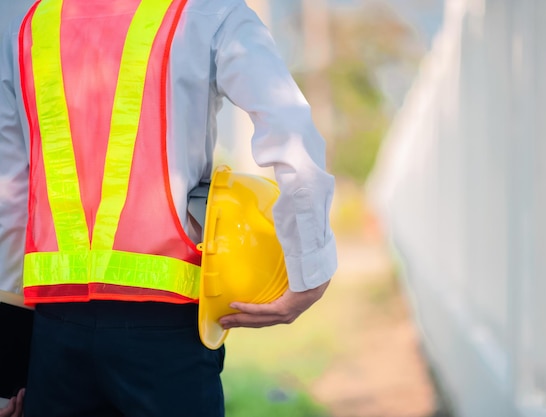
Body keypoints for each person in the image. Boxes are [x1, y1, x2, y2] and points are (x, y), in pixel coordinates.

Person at [0, 0, 337, 415]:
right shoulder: (208, 11)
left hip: (54, 338)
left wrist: (11, 366)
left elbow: (10, 191)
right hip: (166, 332)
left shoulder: (21, 17)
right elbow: (288, 128)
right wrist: (309, 273)